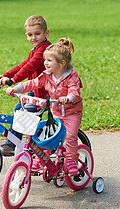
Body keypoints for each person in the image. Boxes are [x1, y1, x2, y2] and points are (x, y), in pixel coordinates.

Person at [5, 38, 83, 176]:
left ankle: (71, 161)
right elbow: (32, 84)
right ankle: (42, 160)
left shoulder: (71, 76)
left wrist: (69, 98)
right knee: (46, 137)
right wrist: (16, 89)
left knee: (70, 136)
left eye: (49, 60)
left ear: (62, 63)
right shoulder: (46, 76)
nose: (45, 63)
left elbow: (74, 91)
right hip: (56, 113)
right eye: (45, 60)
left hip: (72, 113)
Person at [0, 15, 51, 156]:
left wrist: (13, 81)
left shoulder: (44, 50)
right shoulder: (36, 49)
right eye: (30, 34)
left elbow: (31, 67)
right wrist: (6, 75)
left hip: (45, 93)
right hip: (35, 91)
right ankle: (17, 144)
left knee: (23, 114)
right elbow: (23, 64)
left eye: (37, 34)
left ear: (46, 33)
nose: (33, 37)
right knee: (20, 111)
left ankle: (14, 145)